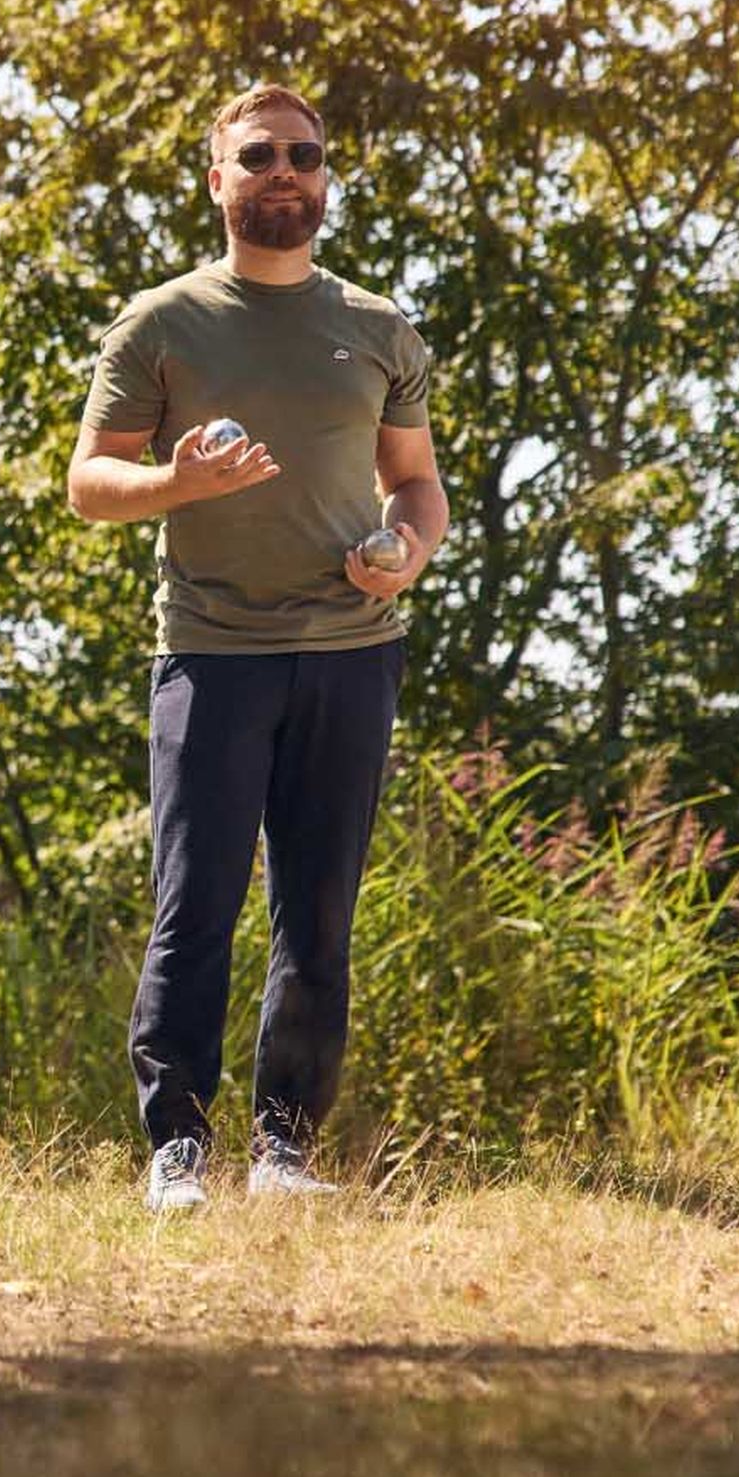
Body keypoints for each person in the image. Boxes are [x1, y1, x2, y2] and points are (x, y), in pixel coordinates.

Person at [68, 83, 448, 1211]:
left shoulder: (378, 326)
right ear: (217, 179)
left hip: (352, 648)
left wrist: (408, 551)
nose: (285, 171)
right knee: (198, 900)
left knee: (318, 907)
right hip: (212, 652)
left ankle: (284, 1149)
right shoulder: (162, 323)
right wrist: (177, 482)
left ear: (325, 178)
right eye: (260, 155)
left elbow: (417, 484)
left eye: (304, 155)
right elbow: (90, 485)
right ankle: (176, 1148)